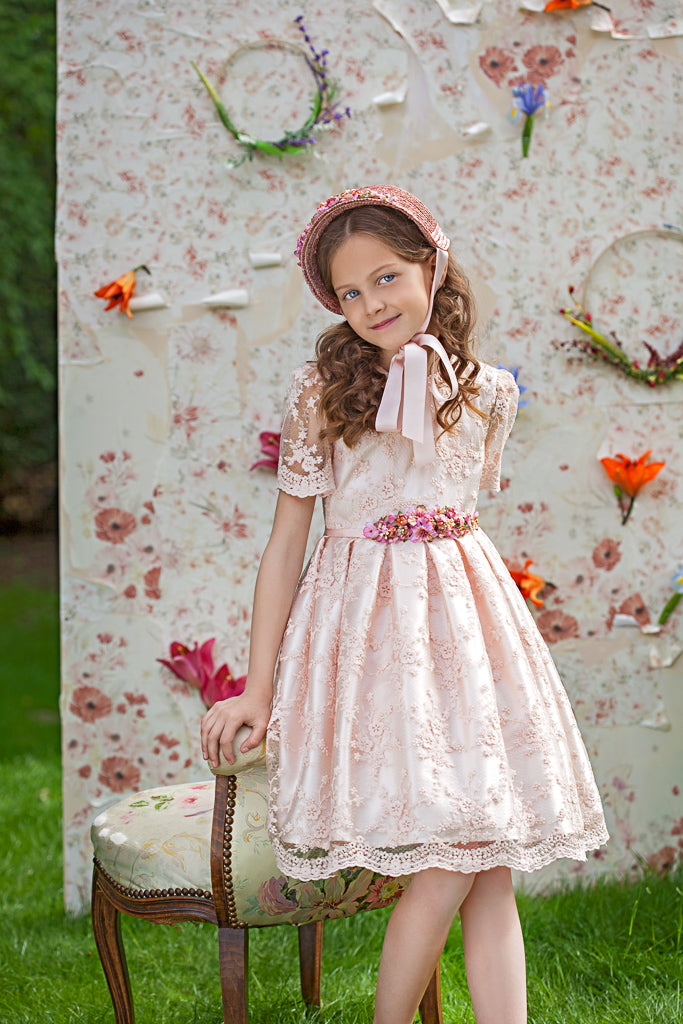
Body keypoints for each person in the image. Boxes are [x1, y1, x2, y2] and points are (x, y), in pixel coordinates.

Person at [201, 185, 608, 1024]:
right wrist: (258, 685)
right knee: (459, 852)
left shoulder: (488, 393)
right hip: (367, 637)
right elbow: (285, 550)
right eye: (348, 293)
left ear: (433, 266)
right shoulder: (323, 391)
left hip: (465, 632)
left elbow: (457, 515)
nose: (370, 304)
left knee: (485, 855)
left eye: (385, 278)